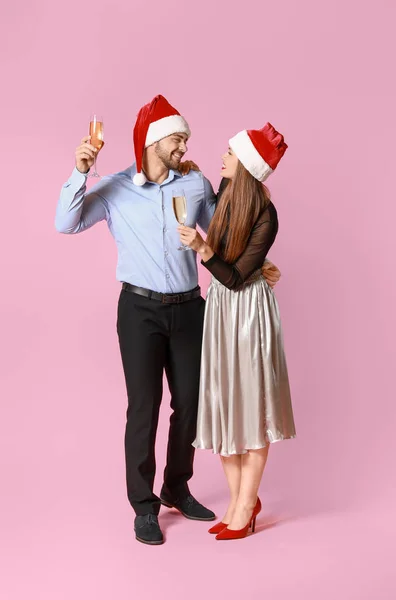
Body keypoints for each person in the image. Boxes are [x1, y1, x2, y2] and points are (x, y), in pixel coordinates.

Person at [55, 94, 281, 545]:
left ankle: (177, 486)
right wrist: (80, 173)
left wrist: (255, 264)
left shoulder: (195, 185)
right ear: (154, 141)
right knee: (144, 408)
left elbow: (226, 233)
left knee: (192, 405)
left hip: (191, 307)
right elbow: (67, 223)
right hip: (139, 310)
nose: (185, 146)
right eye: (178, 138)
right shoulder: (116, 188)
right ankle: (144, 505)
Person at [179, 123, 296, 541]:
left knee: (252, 408)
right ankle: (237, 502)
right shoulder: (224, 196)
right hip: (223, 311)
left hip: (248, 313)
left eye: (230, 151)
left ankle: (245, 507)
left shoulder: (267, 213)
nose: (223, 155)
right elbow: (230, 267)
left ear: (246, 164)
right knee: (224, 403)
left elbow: (235, 277)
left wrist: (202, 249)